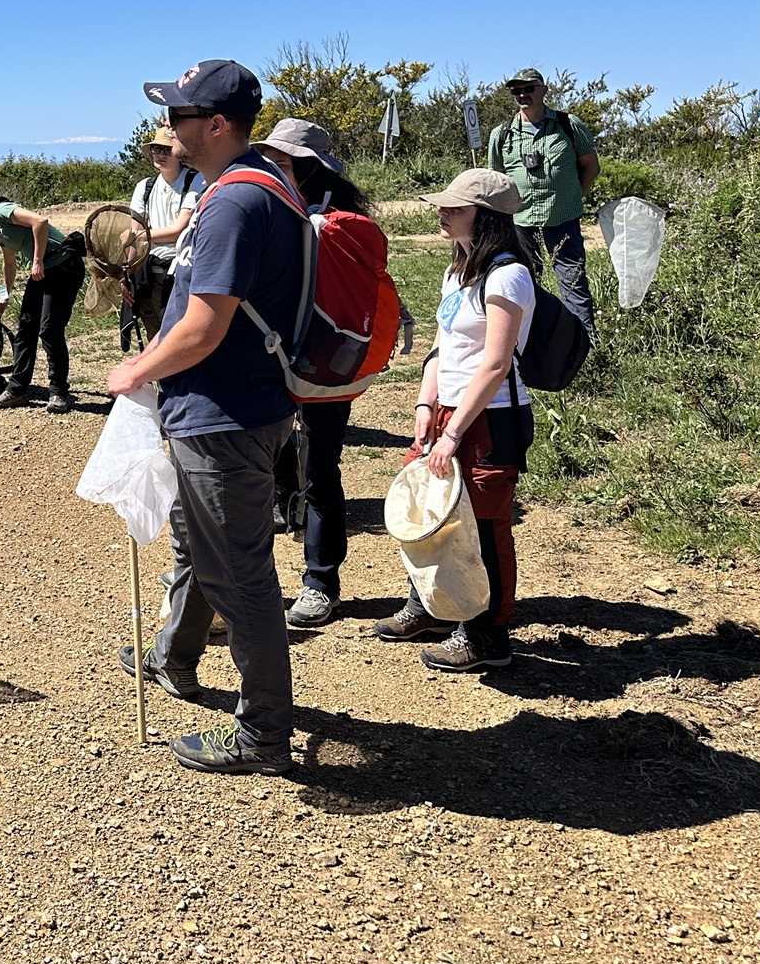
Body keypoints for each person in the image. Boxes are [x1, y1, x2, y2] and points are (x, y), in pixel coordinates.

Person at [107, 60, 303, 775]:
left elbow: (203, 325)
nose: (169, 127)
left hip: (225, 417)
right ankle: (174, 658)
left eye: (180, 115)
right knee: (203, 552)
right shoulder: (253, 188)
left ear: (215, 126)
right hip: (230, 409)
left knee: (240, 577)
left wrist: (134, 369)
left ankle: (262, 736)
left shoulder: (232, 204)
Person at [377, 167, 536, 672]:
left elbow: (494, 363)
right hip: (451, 411)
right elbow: (442, 348)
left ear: (486, 219)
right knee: (431, 511)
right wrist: (426, 406)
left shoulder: (508, 274)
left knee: (484, 524)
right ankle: (433, 608)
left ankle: (487, 636)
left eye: (456, 208)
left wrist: (452, 432)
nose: (443, 214)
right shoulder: (457, 269)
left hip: (489, 416)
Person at [252, 119, 375, 629]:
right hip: (275, 357)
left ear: (308, 169)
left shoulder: (341, 224)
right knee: (263, 469)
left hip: (322, 360)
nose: (271, 171)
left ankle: (321, 582)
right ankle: (252, 586)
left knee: (320, 468)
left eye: (280, 164)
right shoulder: (270, 209)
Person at [0, 193, 87, 413]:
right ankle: (17, 390)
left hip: (63, 266)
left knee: (49, 330)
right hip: (44, 270)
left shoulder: (0, 212)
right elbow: (9, 264)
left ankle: (59, 393)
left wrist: (37, 261)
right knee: (25, 328)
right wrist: (4, 294)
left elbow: (40, 222)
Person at [487, 68, 598, 335]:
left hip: (562, 221)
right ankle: (531, 344)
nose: (523, 94)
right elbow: (495, 182)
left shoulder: (568, 125)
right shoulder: (500, 134)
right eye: (517, 91)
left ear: (544, 90)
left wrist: (573, 198)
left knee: (573, 285)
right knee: (524, 286)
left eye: (529, 88)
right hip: (521, 223)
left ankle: (585, 346)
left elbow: (591, 166)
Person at [121, 126, 200, 351]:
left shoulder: (194, 181)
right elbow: (134, 234)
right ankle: (162, 385)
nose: (160, 155)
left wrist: (138, 236)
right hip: (147, 273)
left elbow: (178, 230)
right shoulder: (144, 187)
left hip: (178, 273)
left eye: (167, 149)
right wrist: (127, 273)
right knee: (153, 335)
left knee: (176, 337)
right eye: (156, 149)